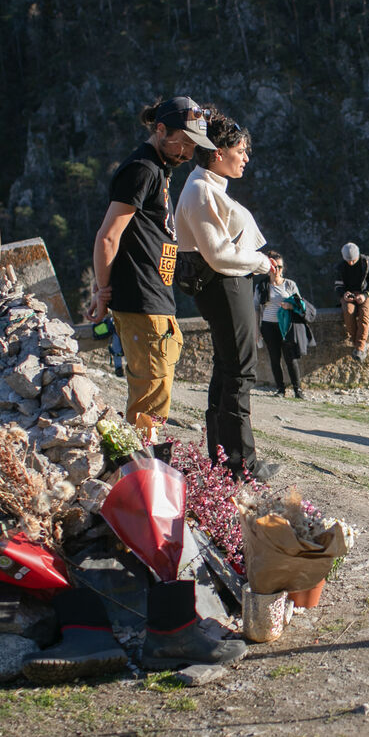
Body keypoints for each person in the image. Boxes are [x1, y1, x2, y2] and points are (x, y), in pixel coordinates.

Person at [87, 96, 214, 424]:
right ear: (160, 130)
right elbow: (108, 236)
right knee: (149, 406)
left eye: (193, 146)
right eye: (183, 142)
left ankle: (146, 453)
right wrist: (102, 291)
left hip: (154, 299)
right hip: (142, 301)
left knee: (155, 397)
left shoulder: (158, 169)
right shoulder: (142, 169)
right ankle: (142, 457)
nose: (188, 153)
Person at [174, 111, 281, 482]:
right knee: (239, 372)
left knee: (227, 369)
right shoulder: (200, 190)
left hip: (227, 286)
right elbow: (218, 253)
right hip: (224, 285)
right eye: (240, 150)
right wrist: (262, 262)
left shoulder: (206, 186)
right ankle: (241, 465)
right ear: (218, 153)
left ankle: (223, 459)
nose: (246, 157)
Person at [255, 250, 311, 399]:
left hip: (286, 326)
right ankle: (280, 389)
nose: (277, 270)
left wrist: (289, 306)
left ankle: (298, 390)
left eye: (280, 267)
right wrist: (256, 330)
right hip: (268, 326)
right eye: (275, 267)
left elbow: (300, 305)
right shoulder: (261, 286)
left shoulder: (290, 284)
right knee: (275, 358)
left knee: (291, 359)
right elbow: (256, 309)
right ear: (269, 268)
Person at [335, 242, 369, 361]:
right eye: (348, 260)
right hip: (349, 296)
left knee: (364, 312)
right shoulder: (341, 266)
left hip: (367, 294)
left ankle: (360, 348)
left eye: (353, 260)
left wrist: (365, 295)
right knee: (348, 311)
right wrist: (344, 294)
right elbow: (338, 286)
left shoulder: (368, 262)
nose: (350, 263)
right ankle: (361, 345)